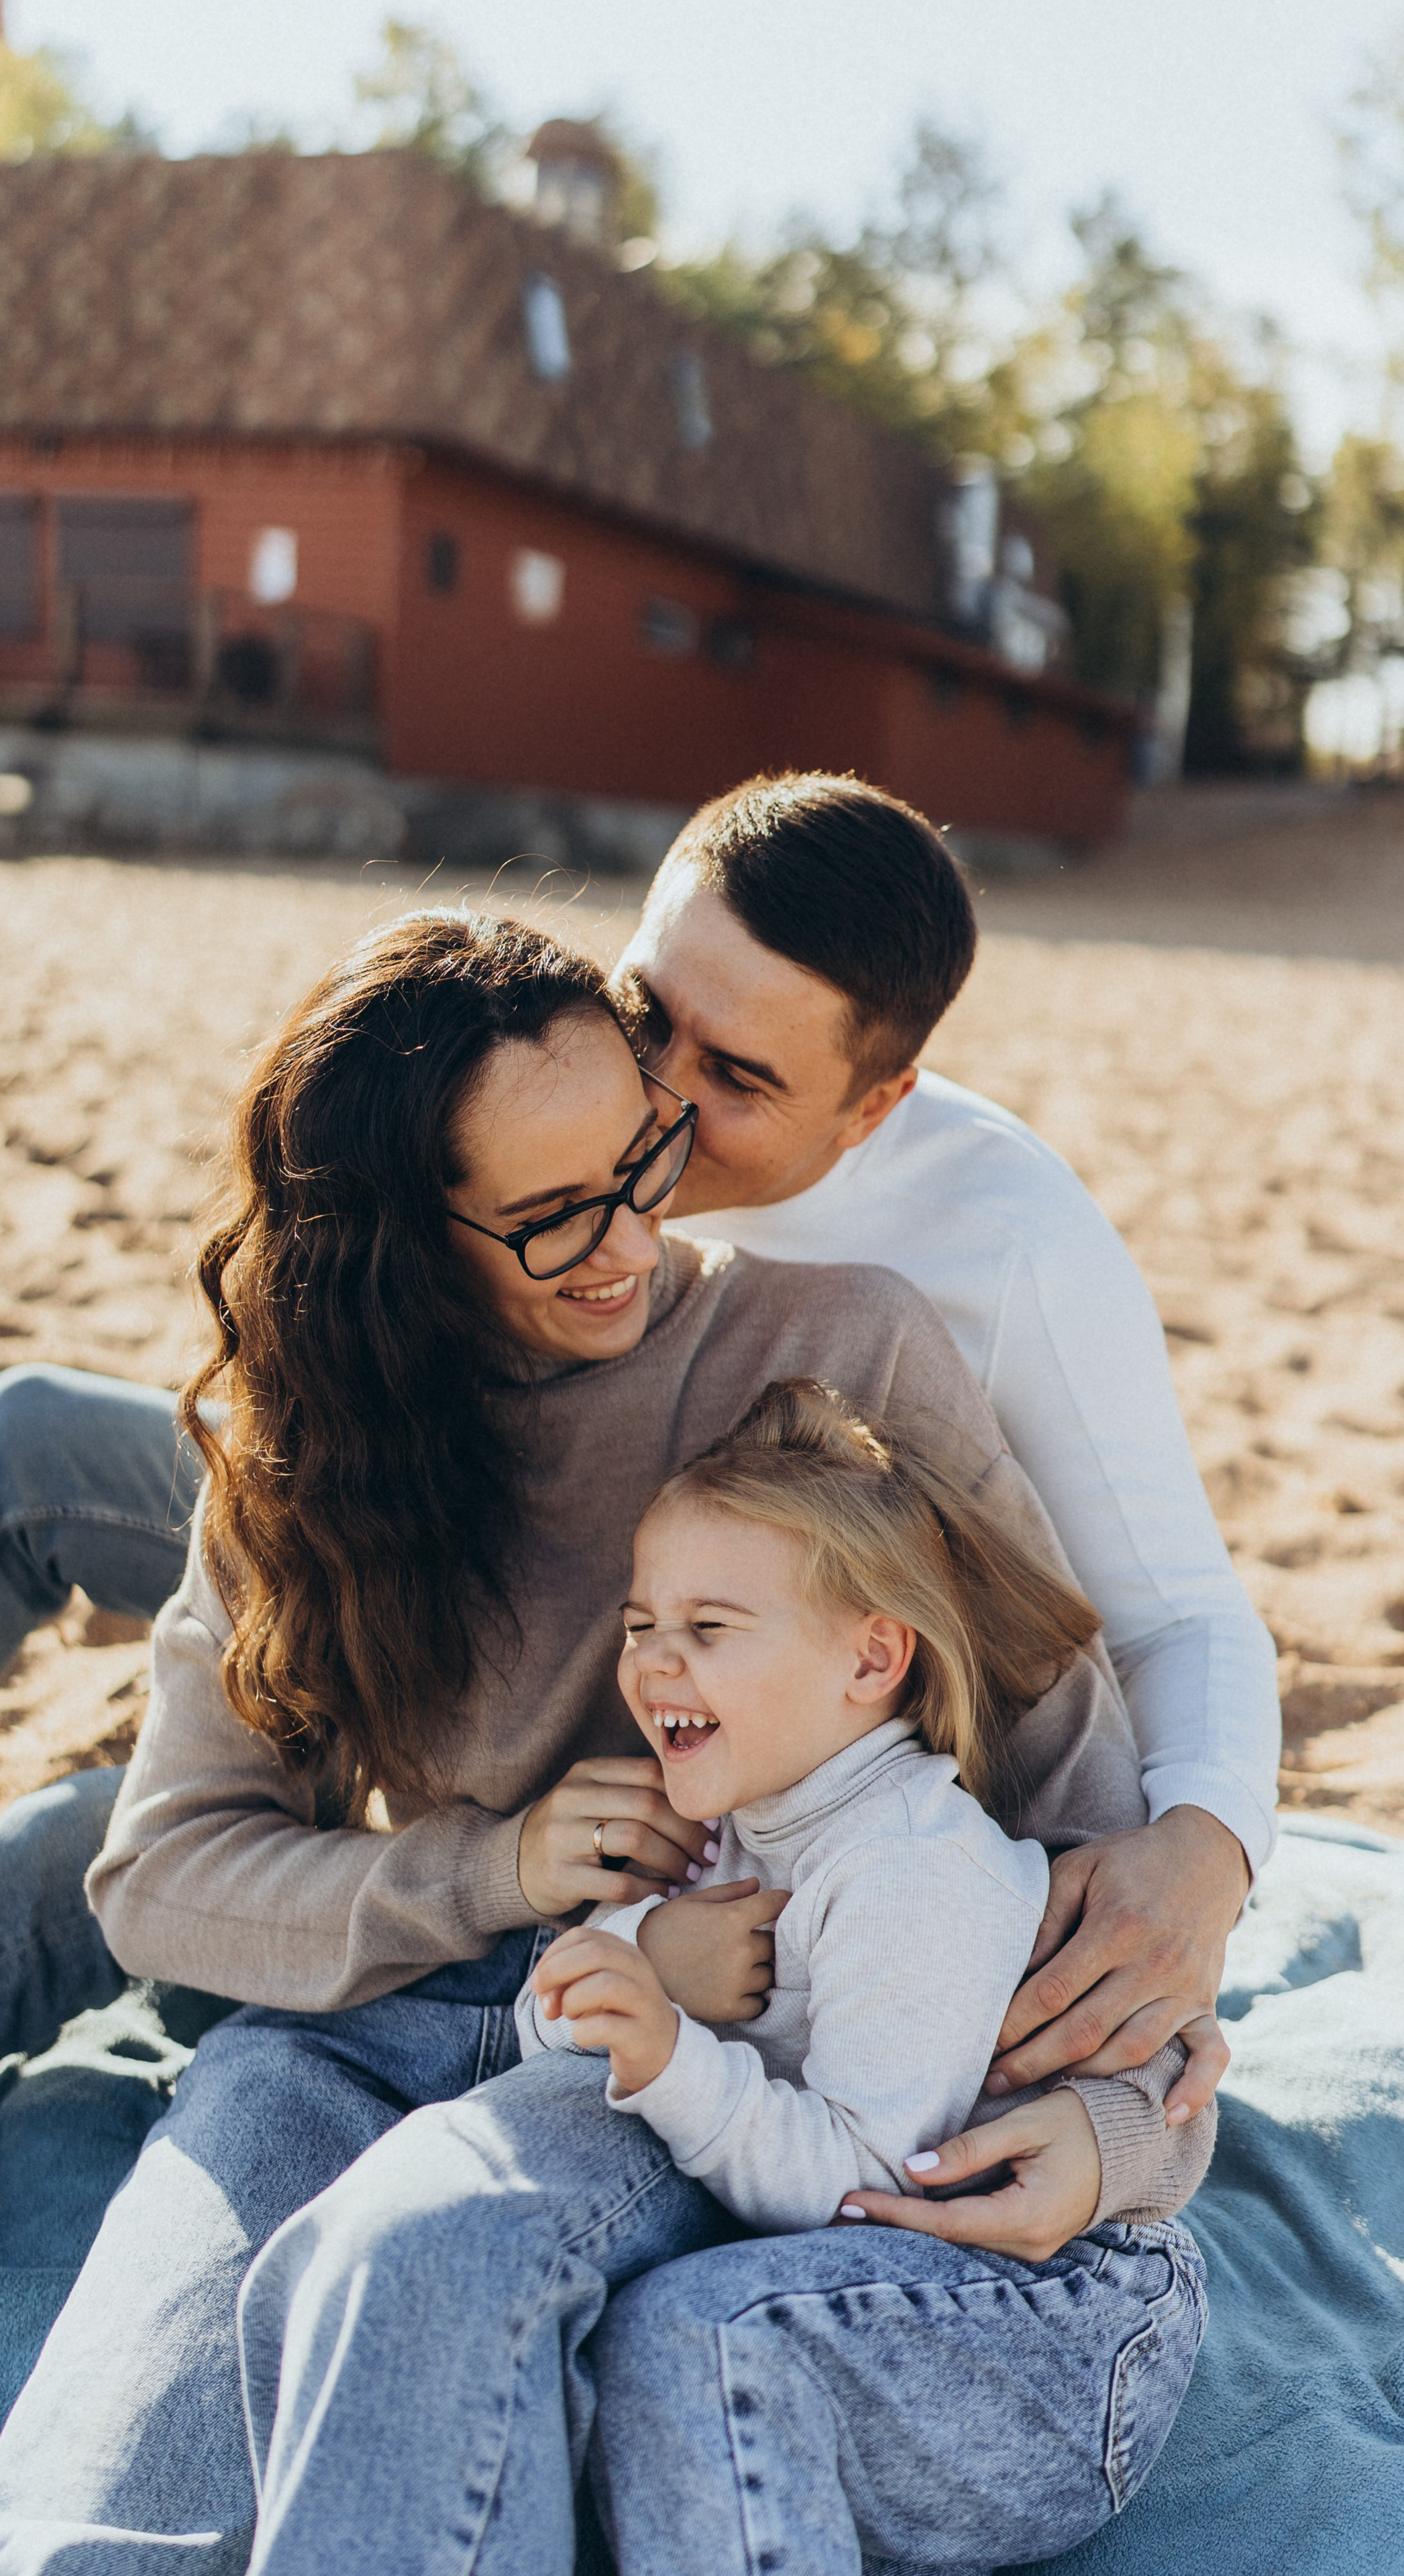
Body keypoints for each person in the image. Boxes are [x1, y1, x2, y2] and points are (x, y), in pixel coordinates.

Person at [0, 908, 1192, 2567]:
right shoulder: (306, 1442)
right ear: (397, 1246)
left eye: (644, 1159)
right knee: (99, 2506)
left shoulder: (835, 1350)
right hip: (367, 2024)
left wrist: (1128, 2133)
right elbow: (162, 1878)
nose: (632, 1237)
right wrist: (494, 1869)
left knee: (423, 2270)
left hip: (691, 2045)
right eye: (554, 1216)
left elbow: (1078, 1805)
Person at [0, 771, 1278, 2125]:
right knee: (41, 1462)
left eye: (734, 1078)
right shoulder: (547, 1097)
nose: (653, 1091)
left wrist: (1200, 1860)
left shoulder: (987, 1264)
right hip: (438, 1506)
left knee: (125, 1861)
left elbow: (1162, 1617)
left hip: (717, 1663)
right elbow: (174, 1865)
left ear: (869, 1109)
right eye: (648, 1009)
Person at [231, 1377, 1212, 2575]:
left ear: (871, 1658)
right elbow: (550, 2025)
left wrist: (672, 2057)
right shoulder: (722, 1815)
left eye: (709, 1629)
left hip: (1053, 2315)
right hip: (852, 2267)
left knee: (697, 2339)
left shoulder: (912, 1868)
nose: (654, 1664)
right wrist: (646, 1964)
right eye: (641, 1625)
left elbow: (867, 2182)